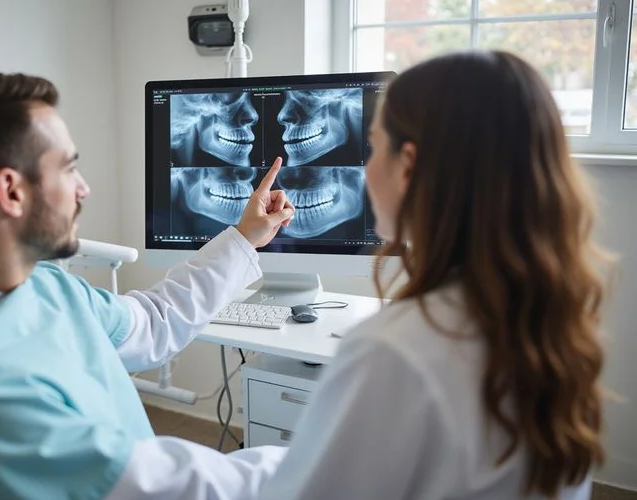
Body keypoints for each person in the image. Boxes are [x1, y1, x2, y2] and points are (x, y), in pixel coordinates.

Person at [0, 70, 295, 499]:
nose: (84, 188)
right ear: (11, 192)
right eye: (69, 168)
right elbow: (174, 491)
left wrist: (243, 238)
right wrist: (326, 454)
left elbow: (153, 322)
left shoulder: (38, 284)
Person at [256, 50, 612, 499]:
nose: (367, 169)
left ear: (408, 165)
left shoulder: (393, 350)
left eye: (374, 145)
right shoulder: (554, 324)